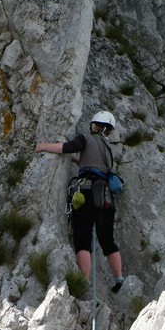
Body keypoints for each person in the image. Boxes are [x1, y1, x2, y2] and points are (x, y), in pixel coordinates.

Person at [34, 110, 124, 293]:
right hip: (105, 197)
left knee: (83, 238)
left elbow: (66, 147)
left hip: (86, 194)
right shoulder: (109, 149)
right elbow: (95, 166)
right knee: (107, 240)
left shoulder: (86, 139)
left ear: (96, 126)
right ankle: (119, 277)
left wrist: (43, 146)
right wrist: (79, 162)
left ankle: (84, 281)